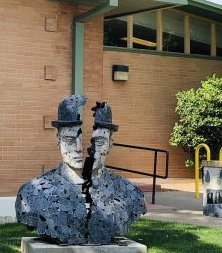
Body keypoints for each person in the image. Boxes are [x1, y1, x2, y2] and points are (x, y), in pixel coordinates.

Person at [16, 96, 145, 244]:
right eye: (70, 141)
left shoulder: (129, 194)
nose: (80, 149)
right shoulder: (32, 194)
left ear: (110, 144)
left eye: (99, 142)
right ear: (58, 141)